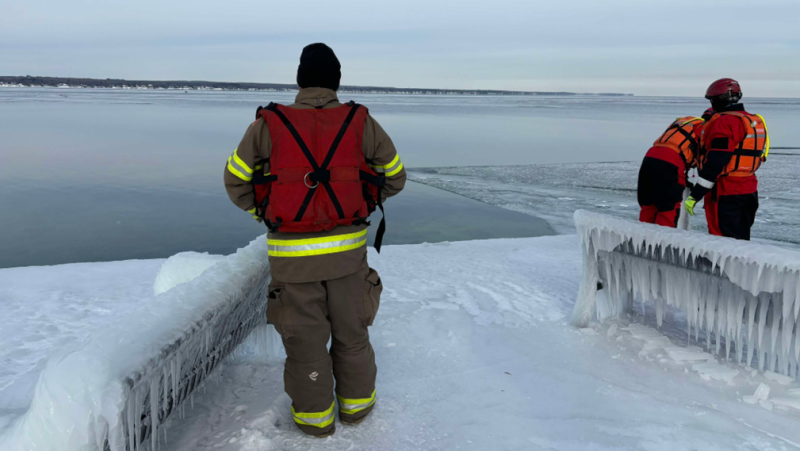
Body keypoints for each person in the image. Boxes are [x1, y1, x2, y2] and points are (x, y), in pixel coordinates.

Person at [224, 43, 406, 437]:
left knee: (305, 344)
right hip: (348, 259)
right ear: (337, 82)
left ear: (300, 81)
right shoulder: (361, 122)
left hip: (292, 261)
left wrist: (268, 214)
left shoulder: (268, 124)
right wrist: (363, 204)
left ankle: (315, 422)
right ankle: (356, 411)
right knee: (352, 337)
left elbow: (236, 182)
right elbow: (395, 175)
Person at [684, 78, 768, 240]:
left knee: (723, 240)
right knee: (741, 238)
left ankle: (721, 266)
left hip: (726, 191)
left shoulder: (724, 123)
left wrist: (696, 195)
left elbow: (717, 161)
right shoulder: (752, 120)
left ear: (719, 100)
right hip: (749, 189)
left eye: (712, 100)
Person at [637, 116, 704, 227]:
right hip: (671, 160)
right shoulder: (706, 129)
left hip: (650, 157)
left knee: (648, 205)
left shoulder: (687, 122)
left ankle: (642, 240)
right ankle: (663, 241)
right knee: (668, 208)